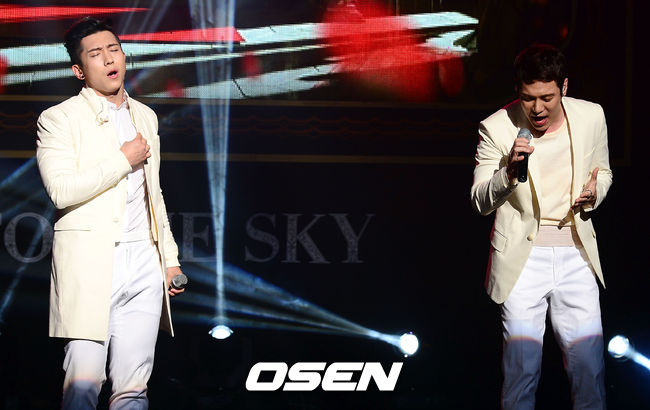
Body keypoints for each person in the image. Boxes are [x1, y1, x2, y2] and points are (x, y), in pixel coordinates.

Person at [36, 17, 185, 409]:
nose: (108, 59)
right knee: (83, 382)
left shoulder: (145, 116)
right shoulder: (59, 118)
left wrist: (168, 258)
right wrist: (122, 160)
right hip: (91, 261)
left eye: (113, 50)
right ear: (79, 70)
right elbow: (61, 191)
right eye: (96, 54)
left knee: (134, 385)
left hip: (145, 260)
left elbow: (153, 194)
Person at [470, 44, 612, 410]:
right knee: (521, 373)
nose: (537, 109)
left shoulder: (591, 116)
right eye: (528, 98)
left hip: (576, 254)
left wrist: (594, 193)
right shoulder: (496, 127)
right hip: (522, 260)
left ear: (564, 87)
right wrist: (508, 173)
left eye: (547, 98)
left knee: (589, 371)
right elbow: (480, 201)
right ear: (517, 90)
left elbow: (603, 172)